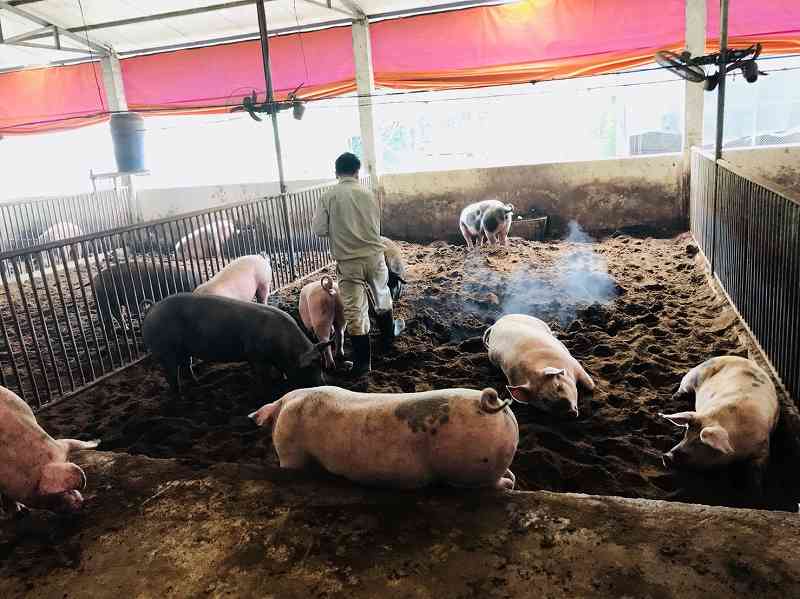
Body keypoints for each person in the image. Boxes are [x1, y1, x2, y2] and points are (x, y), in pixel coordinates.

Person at [312, 152, 405, 377]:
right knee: (382, 295)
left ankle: (363, 364)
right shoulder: (369, 193)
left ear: (336, 173)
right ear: (357, 171)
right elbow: (375, 224)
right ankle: (388, 338)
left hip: (348, 261)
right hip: (374, 256)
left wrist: (339, 228)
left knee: (355, 310)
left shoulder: (328, 196)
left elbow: (319, 230)